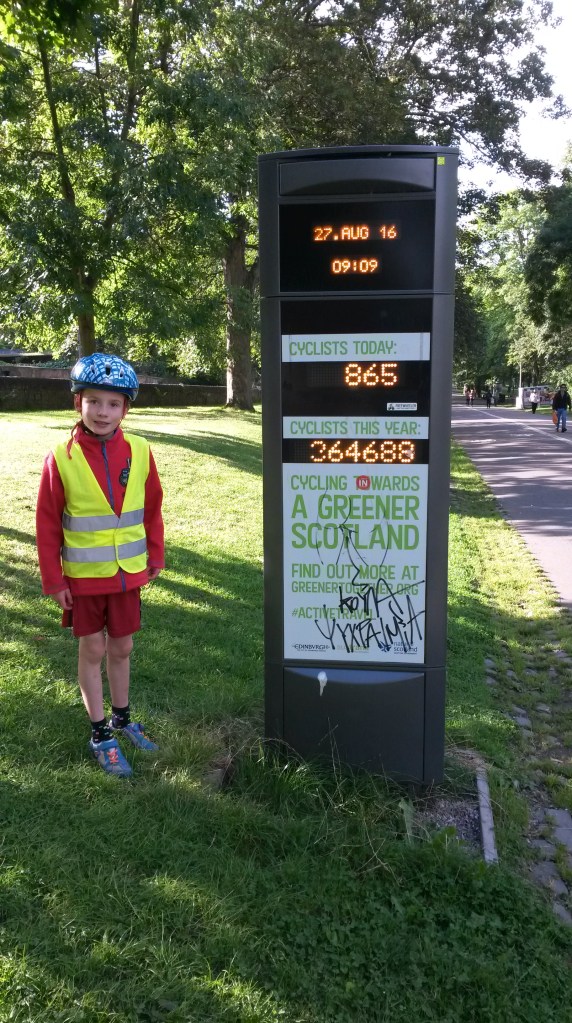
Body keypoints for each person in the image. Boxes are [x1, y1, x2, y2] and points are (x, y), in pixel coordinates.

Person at [36, 353, 165, 777]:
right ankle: (99, 732)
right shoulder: (62, 457)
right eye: (93, 401)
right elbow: (47, 523)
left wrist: (155, 553)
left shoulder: (141, 451)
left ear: (126, 408)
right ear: (79, 403)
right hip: (85, 579)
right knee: (92, 649)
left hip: (127, 576)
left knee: (122, 648)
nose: (103, 411)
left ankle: (123, 719)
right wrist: (54, 579)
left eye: (113, 403)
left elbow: (152, 508)